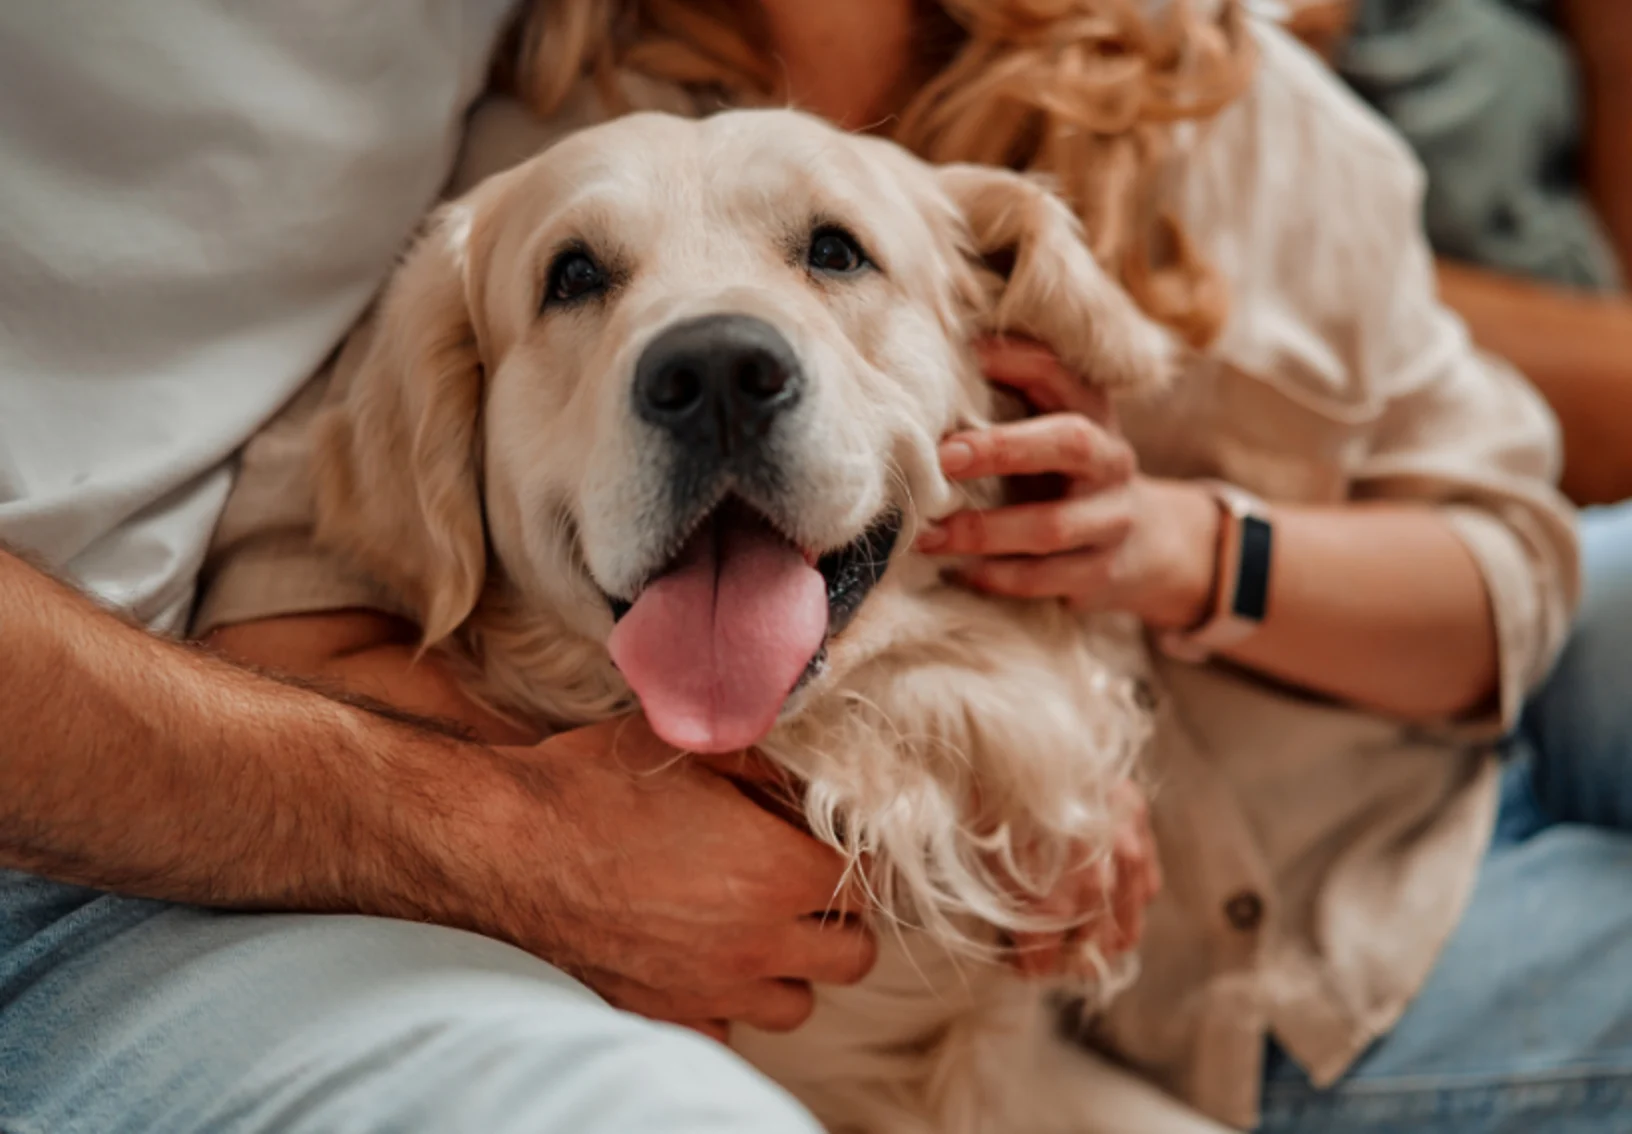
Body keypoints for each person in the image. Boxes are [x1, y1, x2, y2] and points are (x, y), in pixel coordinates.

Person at [0, 4, 1618, 1134]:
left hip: (1449, 727)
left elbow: (1515, 568)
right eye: (588, 280)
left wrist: (1179, 548)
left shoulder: (1229, 95)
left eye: (829, 254)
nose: (714, 350)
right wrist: (550, 822)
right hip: (1305, 960)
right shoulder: (518, 118)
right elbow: (294, 620)